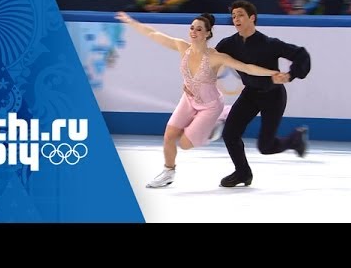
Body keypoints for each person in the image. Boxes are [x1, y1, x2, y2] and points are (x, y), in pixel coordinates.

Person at [115, 11, 280, 188]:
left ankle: (215, 125)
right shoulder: (182, 47)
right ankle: (168, 172)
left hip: (210, 106)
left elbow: (247, 67)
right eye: (192, 28)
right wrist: (131, 22)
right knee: (169, 136)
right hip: (188, 100)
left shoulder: (215, 57)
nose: (194, 32)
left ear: (208, 33)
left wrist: (273, 73)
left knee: (185, 144)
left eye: (199, 29)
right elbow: (153, 34)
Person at [215, 0, 311, 188]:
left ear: (252, 18)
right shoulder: (228, 44)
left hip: (273, 96)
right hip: (249, 94)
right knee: (230, 134)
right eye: (234, 16)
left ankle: (294, 140)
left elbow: (301, 54)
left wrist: (290, 75)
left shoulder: (269, 44)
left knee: (265, 147)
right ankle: (243, 173)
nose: (236, 19)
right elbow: (210, 59)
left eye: (240, 15)